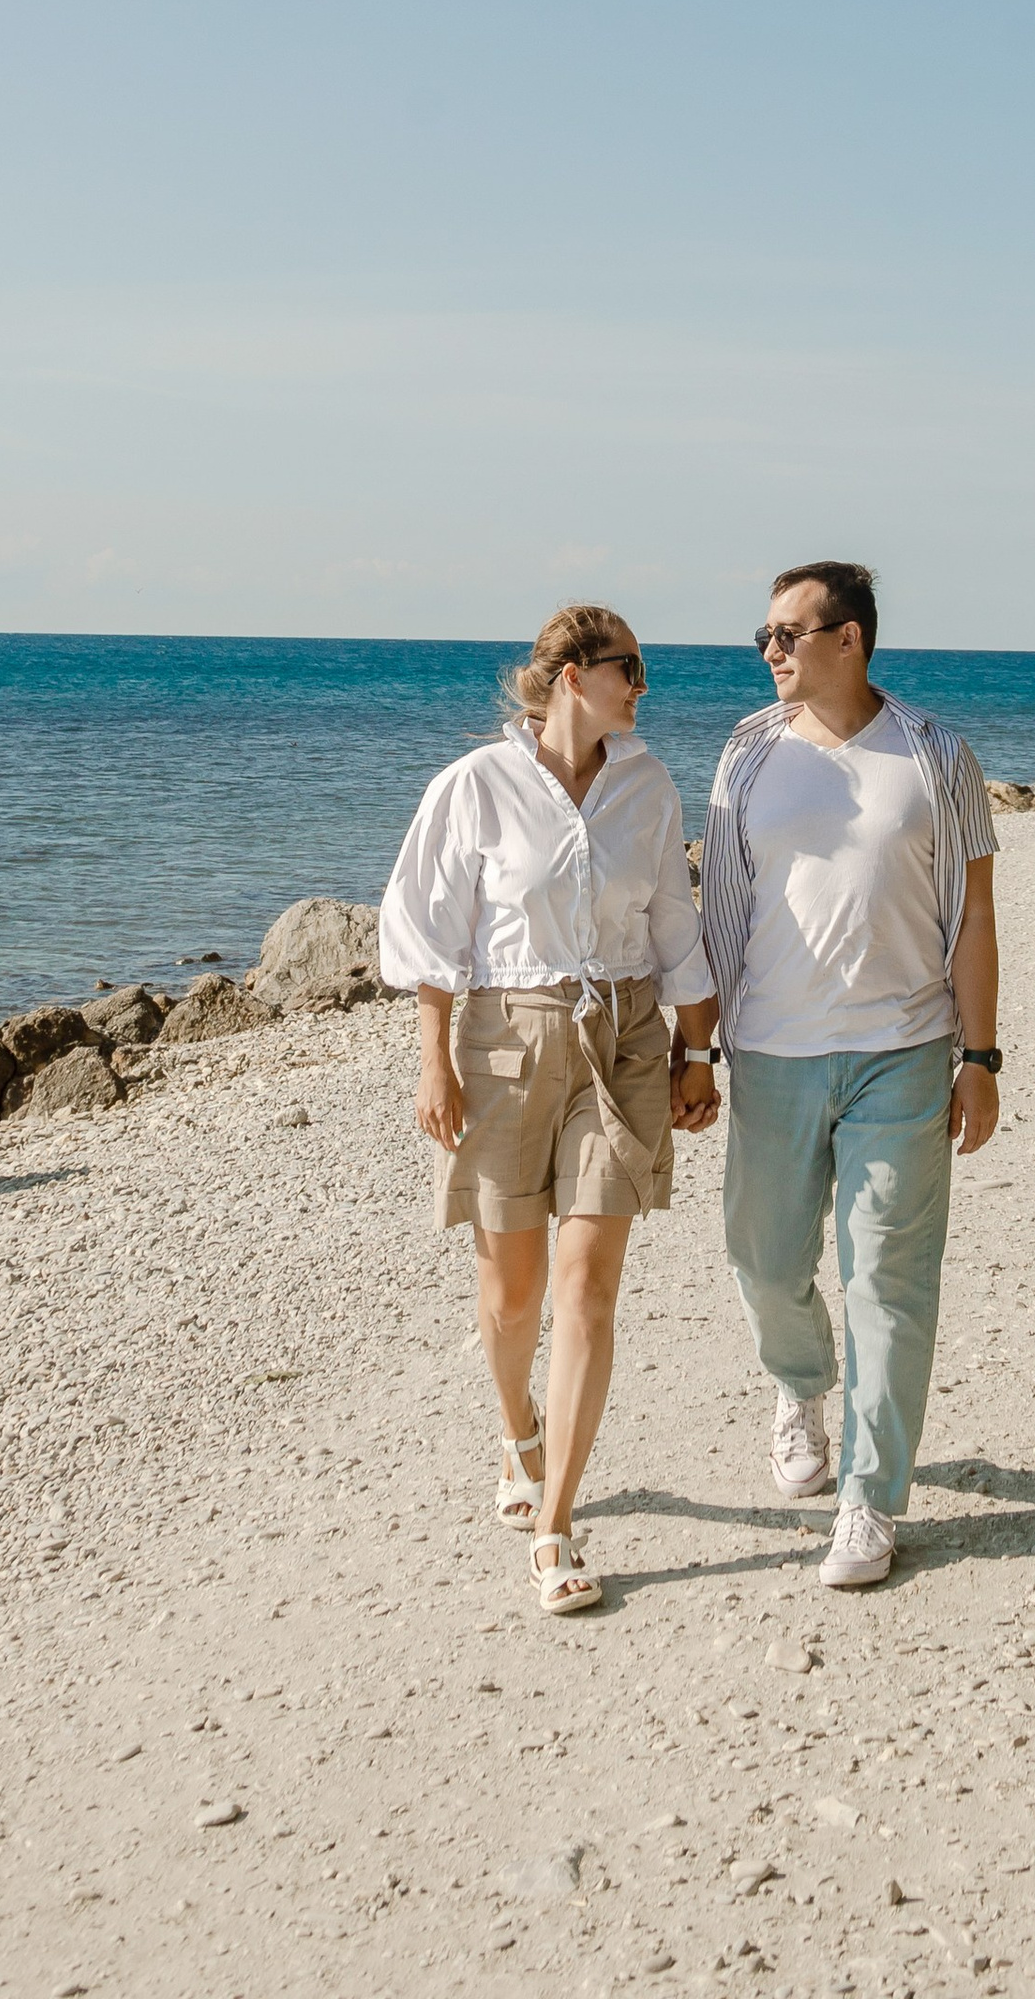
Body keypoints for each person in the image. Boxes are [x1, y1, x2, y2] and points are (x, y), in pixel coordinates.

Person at [377, 604, 720, 1616]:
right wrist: (432, 1064)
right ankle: (518, 1429)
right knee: (511, 1292)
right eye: (630, 668)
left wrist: (697, 1052)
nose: (643, 686)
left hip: (620, 1041)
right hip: (503, 1041)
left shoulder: (647, 786)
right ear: (572, 676)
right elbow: (428, 932)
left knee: (587, 1286)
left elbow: (673, 923)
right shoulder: (473, 786)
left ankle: (559, 1523)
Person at [701, 561, 1001, 1590]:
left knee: (888, 1280)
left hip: (904, 1053)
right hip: (773, 1054)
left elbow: (974, 918)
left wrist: (979, 1054)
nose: (771, 651)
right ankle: (799, 1386)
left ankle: (868, 1500)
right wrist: (700, 1048)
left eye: (788, 633)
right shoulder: (746, 752)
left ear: (850, 640)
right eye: (764, 636)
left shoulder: (933, 754)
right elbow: (719, 918)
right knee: (766, 1260)